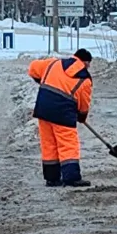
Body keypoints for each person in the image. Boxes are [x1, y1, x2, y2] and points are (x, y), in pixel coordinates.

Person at [28, 48, 93, 187]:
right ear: (86, 62)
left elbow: (33, 68)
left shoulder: (54, 63)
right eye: (89, 64)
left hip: (43, 108)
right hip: (63, 113)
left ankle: (52, 178)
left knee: (48, 143)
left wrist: (43, 80)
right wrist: (81, 116)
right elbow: (84, 103)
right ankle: (71, 177)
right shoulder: (84, 79)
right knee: (68, 144)